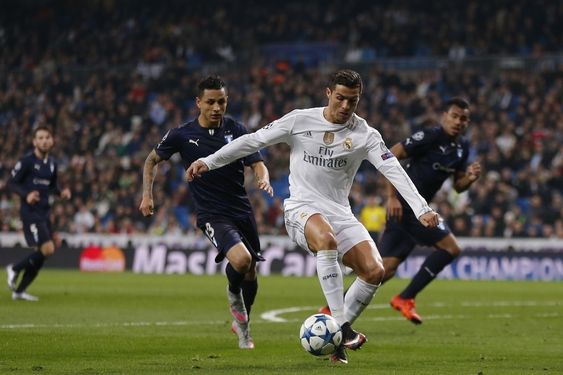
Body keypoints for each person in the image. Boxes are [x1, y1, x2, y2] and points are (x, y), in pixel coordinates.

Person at [187, 69, 439, 364]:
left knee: (375, 271)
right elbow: (252, 141)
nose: (345, 106)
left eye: (353, 101)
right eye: (341, 98)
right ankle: (342, 329)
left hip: (340, 212)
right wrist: (209, 160)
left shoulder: (365, 135)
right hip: (301, 209)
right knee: (326, 240)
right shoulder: (299, 120)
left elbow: (393, 169)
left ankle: (336, 342)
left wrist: (422, 208)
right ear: (328, 93)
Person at [139, 75, 273, 349]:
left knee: (251, 273)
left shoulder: (237, 129)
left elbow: (257, 162)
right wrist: (146, 195)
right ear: (198, 102)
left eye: (221, 101)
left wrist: (264, 177)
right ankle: (232, 292)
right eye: (210, 102)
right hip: (212, 213)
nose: (216, 107)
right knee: (242, 260)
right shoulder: (182, 134)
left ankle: (243, 327)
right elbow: (151, 160)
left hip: (242, 211)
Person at [380, 97, 481, 324]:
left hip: (420, 209)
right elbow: (390, 155)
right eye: (454, 116)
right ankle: (405, 298)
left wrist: (470, 179)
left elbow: (458, 185)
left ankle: (333, 307)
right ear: (444, 116)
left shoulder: (462, 147)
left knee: (385, 269)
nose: (458, 121)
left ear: (467, 123)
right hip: (405, 206)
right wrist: (391, 197)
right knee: (451, 248)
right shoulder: (430, 136)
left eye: (463, 119)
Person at [6, 125, 72, 301]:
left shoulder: (52, 164)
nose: (44, 141)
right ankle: (14, 268)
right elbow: (11, 182)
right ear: (34, 141)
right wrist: (25, 195)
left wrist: (61, 193)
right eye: (40, 138)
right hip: (30, 212)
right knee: (47, 249)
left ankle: (19, 291)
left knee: (44, 254)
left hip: (44, 212)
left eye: (47, 137)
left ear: (52, 141)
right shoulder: (27, 161)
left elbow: (51, 186)